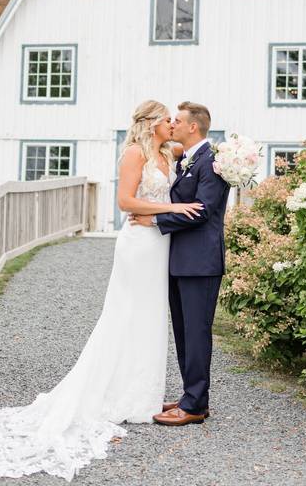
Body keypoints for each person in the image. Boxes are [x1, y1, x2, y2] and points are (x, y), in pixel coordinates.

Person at [0, 100, 202, 481]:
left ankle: (143, 398)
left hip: (160, 244)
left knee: (150, 318)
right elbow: (124, 202)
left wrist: (228, 159)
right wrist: (173, 210)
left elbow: (200, 150)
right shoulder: (134, 153)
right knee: (125, 314)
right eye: (166, 119)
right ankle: (115, 395)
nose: (172, 124)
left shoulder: (171, 151)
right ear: (150, 123)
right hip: (138, 244)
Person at [129, 101, 231, 426]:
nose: (172, 124)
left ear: (193, 127)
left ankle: (196, 406)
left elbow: (202, 210)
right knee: (185, 333)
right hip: (181, 260)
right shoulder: (188, 158)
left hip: (201, 262)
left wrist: (157, 222)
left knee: (197, 332)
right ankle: (191, 395)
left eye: (178, 121)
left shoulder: (211, 162)